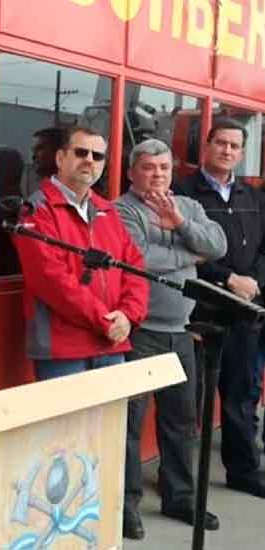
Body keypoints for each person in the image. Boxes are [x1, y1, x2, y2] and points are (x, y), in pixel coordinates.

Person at [115, 139, 226, 539]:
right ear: (132, 172)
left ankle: (179, 498)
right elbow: (137, 259)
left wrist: (180, 226)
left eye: (164, 167)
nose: (158, 174)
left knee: (181, 422)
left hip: (182, 333)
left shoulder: (189, 207)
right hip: (141, 332)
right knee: (130, 425)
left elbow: (217, 245)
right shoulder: (122, 209)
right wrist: (188, 255)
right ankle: (126, 506)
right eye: (148, 167)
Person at [13, 126, 149, 380]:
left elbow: (134, 266)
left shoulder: (107, 210)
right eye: (81, 152)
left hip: (112, 343)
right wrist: (106, 322)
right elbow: (51, 280)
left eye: (97, 156)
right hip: (63, 351)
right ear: (60, 158)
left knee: (110, 421)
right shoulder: (37, 210)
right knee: (67, 422)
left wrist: (129, 316)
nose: (89, 160)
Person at [176, 117, 265, 498]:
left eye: (234, 145)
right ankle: (181, 482)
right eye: (220, 143)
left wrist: (254, 282)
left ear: (242, 153)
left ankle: (243, 470)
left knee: (242, 393)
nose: (227, 151)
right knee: (189, 401)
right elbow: (184, 251)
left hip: (246, 308)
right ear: (206, 147)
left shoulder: (252, 196)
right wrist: (228, 280)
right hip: (203, 308)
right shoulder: (184, 192)